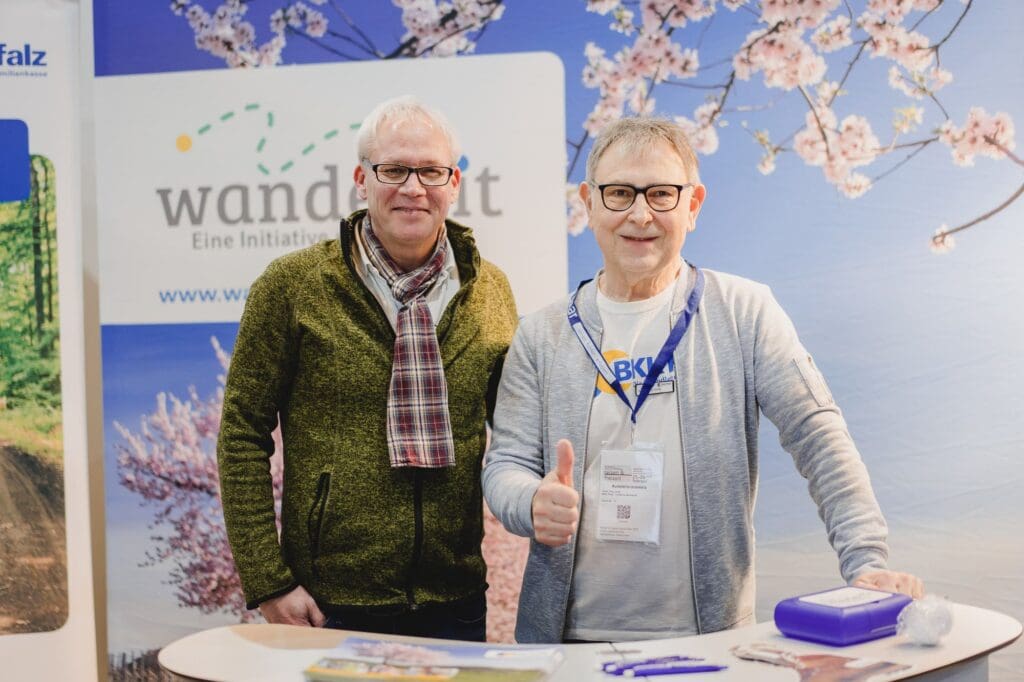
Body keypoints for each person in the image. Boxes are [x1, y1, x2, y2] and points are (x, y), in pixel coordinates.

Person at [481, 116, 923, 644]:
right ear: (589, 202)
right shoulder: (542, 333)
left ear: (692, 205)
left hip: (709, 643)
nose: (640, 214)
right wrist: (531, 501)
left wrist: (867, 563)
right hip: (565, 646)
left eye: (661, 194)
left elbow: (818, 435)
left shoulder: (744, 312)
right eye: (619, 193)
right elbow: (504, 465)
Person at [218, 96, 517, 641]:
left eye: (431, 171)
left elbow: (515, 432)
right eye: (393, 169)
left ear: (453, 182)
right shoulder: (292, 286)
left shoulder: (489, 290)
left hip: (455, 600)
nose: (413, 188)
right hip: (327, 605)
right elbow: (242, 434)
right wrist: (269, 582)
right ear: (362, 179)